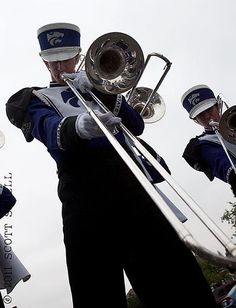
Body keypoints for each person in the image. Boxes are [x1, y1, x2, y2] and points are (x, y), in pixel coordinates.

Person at [6, 23, 217, 308]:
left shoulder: (100, 87)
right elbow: (46, 127)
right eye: (52, 60)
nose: (59, 66)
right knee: (96, 288)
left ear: (79, 56)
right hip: (83, 191)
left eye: (66, 57)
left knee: (176, 282)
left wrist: (102, 91)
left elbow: (136, 125)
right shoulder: (35, 98)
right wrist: (78, 126)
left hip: (133, 182)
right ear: (43, 60)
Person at [181, 84, 236, 197]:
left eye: (209, 110)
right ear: (195, 121)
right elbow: (223, 165)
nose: (207, 116)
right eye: (200, 115)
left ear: (217, 106)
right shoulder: (202, 144)